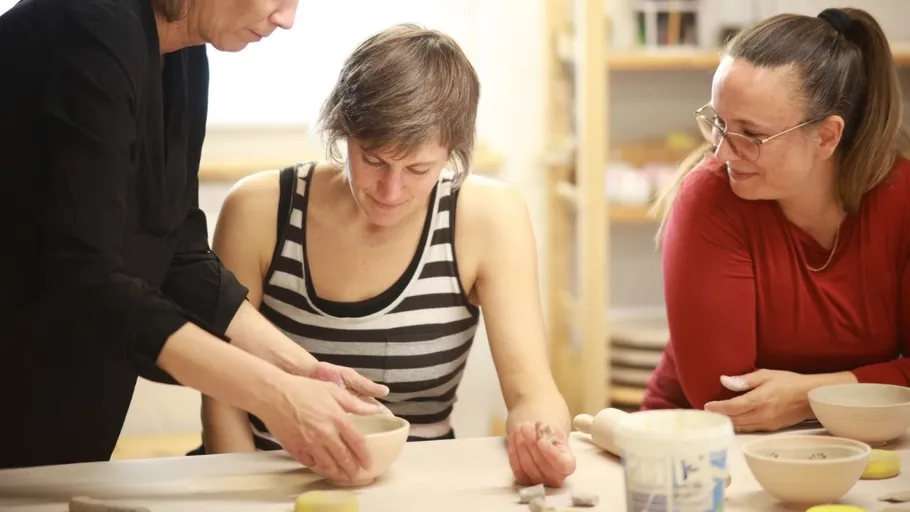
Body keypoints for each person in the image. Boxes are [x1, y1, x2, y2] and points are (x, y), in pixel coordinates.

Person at [0, 0, 393, 481]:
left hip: (56, 425)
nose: (287, 19)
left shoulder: (183, 58)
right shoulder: (88, 29)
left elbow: (177, 252)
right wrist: (273, 395)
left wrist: (302, 370)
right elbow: (86, 279)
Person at [195, 24, 577, 487]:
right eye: (373, 160)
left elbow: (532, 393)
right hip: (272, 479)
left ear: (451, 153)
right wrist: (242, 493)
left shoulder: (488, 218)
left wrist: (543, 439)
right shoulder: (260, 210)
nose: (391, 192)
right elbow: (222, 393)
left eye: (418, 169)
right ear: (344, 133)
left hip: (417, 485)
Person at [641, 7, 910, 432]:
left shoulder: (901, 199)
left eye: (751, 134)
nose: (721, 153)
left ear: (826, 136)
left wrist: (806, 397)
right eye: (718, 123)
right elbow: (726, 400)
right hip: (701, 446)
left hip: (855, 443)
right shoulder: (710, 199)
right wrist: (859, 390)